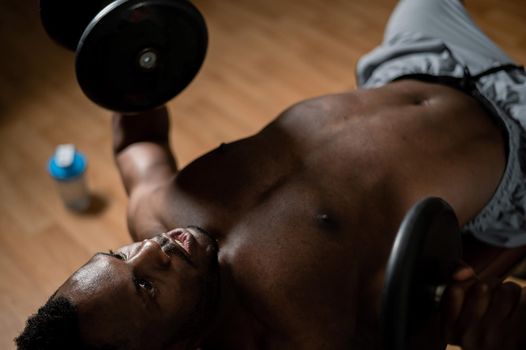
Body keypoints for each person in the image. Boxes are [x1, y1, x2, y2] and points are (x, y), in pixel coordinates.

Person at [16, 0, 526, 349]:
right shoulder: (291, 334)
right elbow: (437, 312)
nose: (154, 249)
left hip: (418, 60)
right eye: (147, 289)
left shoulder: (155, 210)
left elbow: (138, 141)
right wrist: (485, 323)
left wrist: (124, 46)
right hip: (514, 158)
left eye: (119, 256)